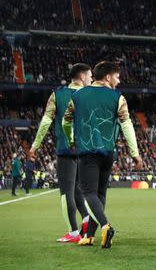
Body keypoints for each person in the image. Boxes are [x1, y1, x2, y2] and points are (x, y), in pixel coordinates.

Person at [62, 61, 143, 248]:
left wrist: (71, 140)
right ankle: (89, 236)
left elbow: (66, 121)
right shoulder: (118, 98)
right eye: (117, 76)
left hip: (87, 152)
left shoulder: (78, 95)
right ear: (107, 77)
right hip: (108, 154)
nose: (119, 80)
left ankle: (106, 226)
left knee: (88, 193)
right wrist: (135, 153)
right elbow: (126, 125)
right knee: (100, 194)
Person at [30, 62, 93, 242]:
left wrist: (35, 145)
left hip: (66, 150)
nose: (91, 79)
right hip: (87, 152)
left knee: (66, 193)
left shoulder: (57, 95)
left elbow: (46, 122)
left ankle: (73, 233)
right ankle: (87, 221)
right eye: (89, 76)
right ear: (81, 77)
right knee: (78, 190)